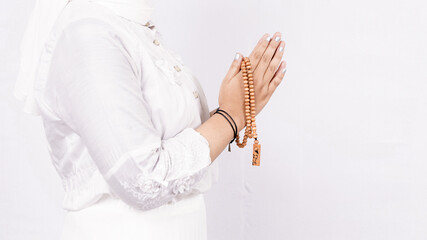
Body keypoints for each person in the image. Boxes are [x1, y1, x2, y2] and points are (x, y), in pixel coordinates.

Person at [13, 0, 287, 239]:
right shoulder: (88, 33)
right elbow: (142, 179)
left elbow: (162, 146)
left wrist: (234, 110)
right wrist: (231, 116)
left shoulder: (128, 23)